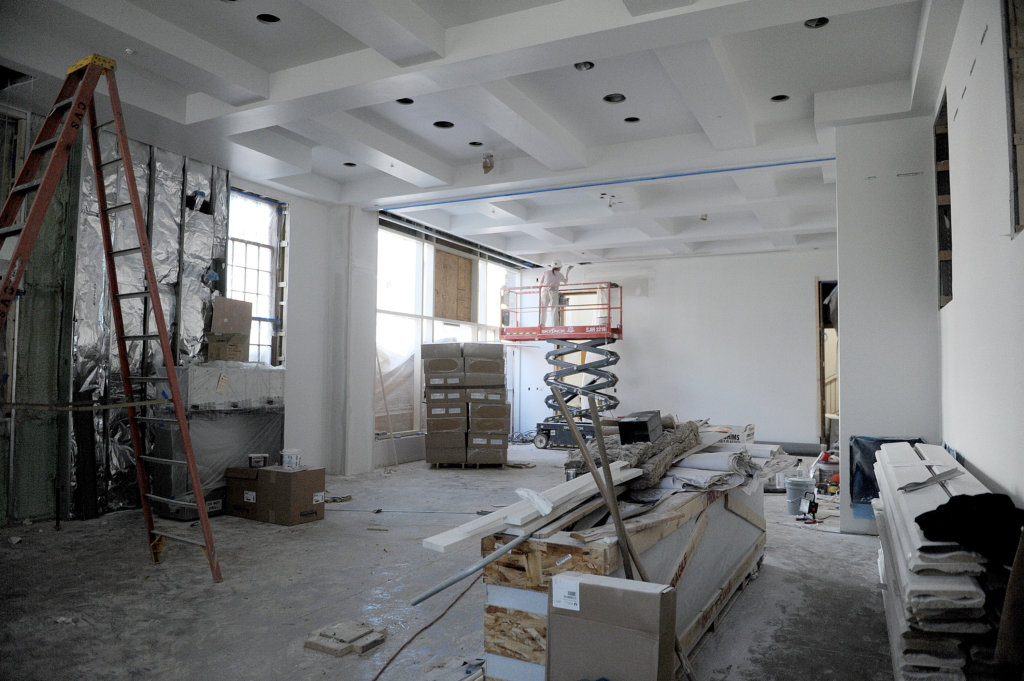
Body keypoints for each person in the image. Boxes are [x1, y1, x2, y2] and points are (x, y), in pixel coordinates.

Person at [540, 261, 572, 326]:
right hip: (553, 292)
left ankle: (541, 324)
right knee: (554, 309)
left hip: (544, 292)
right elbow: (565, 282)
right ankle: (555, 326)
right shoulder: (559, 274)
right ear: (560, 268)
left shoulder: (546, 272)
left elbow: (540, 283)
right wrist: (567, 272)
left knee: (543, 309)